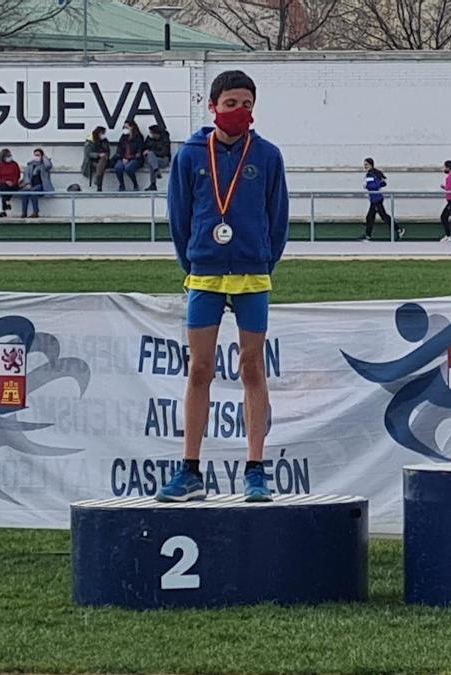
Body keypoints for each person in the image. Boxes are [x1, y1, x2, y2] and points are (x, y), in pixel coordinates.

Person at [158, 70, 289, 503]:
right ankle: (190, 470)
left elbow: (278, 218)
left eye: (247, 104)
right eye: (231, 104)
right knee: (200, 369)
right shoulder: (191, 156)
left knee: (253, 367)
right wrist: (196, 256)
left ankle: (255, 469)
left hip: (252, 273)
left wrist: (261, 257)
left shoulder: (267, 156)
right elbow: (178, 218)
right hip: (205, 272)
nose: (239, 112)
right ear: (213, 107)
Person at [360, 158, 396, 241]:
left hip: (376, 199)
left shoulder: (370, 174)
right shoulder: (376, 173)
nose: (365, 166)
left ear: (371, 164)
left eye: (366, 164)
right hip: (376, 199)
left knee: (382, 217)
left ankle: (398, 229)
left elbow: (373, 186)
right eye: (364, 165)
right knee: (371, 217)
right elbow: (383, 183)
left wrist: (366, 186)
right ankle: (368, 235)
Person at [113, 120, 146, 191]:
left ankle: (135, 184)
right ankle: (121, 185)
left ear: (132, 127)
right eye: (124, 127)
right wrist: (123, 158)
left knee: (129, 168)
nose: (125, 129)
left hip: (135, 159)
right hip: (123, 158)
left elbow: (139, 152)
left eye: (127, 127)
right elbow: (119, 149)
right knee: (118, 167)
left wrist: (129, 159)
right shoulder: (123, 137)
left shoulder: (139, 137)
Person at [21, 149, 54, 218]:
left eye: (38, 155)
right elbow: (26, 175)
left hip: (42, 185)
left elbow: (48, 166)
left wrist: (44, 157)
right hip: (31, 185)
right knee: (24, 192)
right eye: (35, 155)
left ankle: (35, 212)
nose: (36, 156)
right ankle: (24, 212)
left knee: (33, 191)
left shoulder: (44, 164)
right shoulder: (30, 165)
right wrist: (27, 184)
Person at [0, 149, 22, 218]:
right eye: (7, 156)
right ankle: (7, 206)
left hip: (14, 184)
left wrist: (13, 182)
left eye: (10, 155)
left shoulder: (14, 164)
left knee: (6, 191)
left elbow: (17, 175)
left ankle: (5, 210)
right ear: (3, 157)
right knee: (3, 188)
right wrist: (6, 182)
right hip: (4, 183)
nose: (10, 157)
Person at [144, 124, 172, 191]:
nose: (150, 134)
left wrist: (152, 153)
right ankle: (156, 171)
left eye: (152, 133)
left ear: (156, 134)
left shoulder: (165, 140)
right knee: (151, 159)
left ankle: (153, 184)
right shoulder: (149, 139)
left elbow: (164, 153)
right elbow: (144, 148)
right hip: (152, 160)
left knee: (151, 159)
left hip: (164, 159)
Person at [82, 126, 111, 191]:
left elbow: (108, 151)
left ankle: (98, 182)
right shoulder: (90, 141)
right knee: (100, 166)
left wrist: (105, 155)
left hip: (103, 160)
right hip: (92, 161)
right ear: (99, 133)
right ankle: (99, 185)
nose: (104, 135)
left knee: (102, 162)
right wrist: (98, 155)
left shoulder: (104, 140)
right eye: (103, 133)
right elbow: (88, 154)